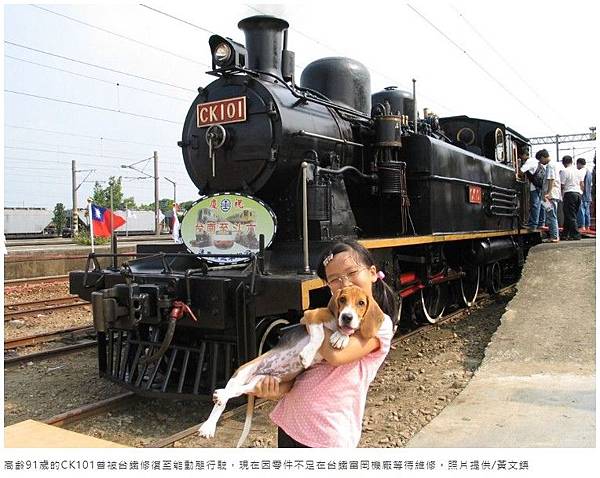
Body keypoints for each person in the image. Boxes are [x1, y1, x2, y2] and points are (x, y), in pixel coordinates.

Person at [252, 239, 399, 447]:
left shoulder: (380, 324)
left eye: (351, 272)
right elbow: (306, 370)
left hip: (327, 435)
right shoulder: (333, 318)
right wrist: (275, 389)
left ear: (373, 273)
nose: (345, 283)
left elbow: (335, 355)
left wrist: (315, 322)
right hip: (291, 422)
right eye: (335, 279)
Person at [521, 149, 549, 230]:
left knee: (535, 205)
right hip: (542, 186)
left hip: (535, 186)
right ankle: (541, 223)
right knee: (542, 204)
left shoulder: (529, 162)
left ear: (524, 155)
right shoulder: (535, 161)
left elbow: (521, 171)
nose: (521, 158)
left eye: (521, 156)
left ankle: (533, 224)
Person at [560, 155, 583, 240]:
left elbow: (562, 184)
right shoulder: (577, 171)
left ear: (563, 163)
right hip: (578, 194)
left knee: (570, 215)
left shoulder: (564, 171)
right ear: (572, 162)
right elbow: (581, 184)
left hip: (569, 193)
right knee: (569, 215)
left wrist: (560, 194)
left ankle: (576, 234)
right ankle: (565, 234)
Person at [542, 157, 562, 243]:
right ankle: (554, 236)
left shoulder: (550, 165)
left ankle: (554, 237)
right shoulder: (556, 165)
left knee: (551, 215)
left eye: (540, 160)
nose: (541, 162)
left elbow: (551, 179)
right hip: (554, 194)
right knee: (552, 215)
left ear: (543, 157)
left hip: (550, 196)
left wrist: (548, 193)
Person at [576, 158, 593, 232]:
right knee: (587, 212)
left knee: (581, 211)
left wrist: (581, 192)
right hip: (588, 195)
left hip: (583, 195)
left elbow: (581, 182)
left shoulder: (582, 171)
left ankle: (582, 226)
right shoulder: (589, 172)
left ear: (579, 163)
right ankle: (587, 226)